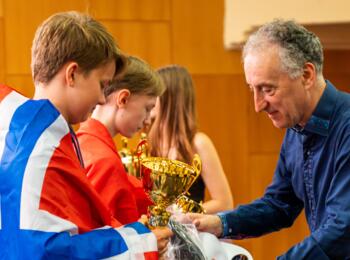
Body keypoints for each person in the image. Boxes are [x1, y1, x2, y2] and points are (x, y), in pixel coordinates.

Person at [0, 11, 171, 259]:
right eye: (102, 85)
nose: (103, 98)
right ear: (72, 74)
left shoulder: (18, 128)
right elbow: (44, 252)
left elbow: (72, 233)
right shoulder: (41, 148)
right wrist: (141, 243)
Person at [187, 19, 350, 259]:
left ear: (306, 75)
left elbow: (342, 230)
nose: (258, 105)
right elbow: (279, 204)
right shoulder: (296, 127)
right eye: (252, 89)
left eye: (268, 89)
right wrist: (219, 223)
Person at [77, 55, 164, 224]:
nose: (147, 120)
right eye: (147, 109)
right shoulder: (104, 161)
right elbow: (107, 239)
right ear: (123, 99)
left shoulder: (82, 141)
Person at [148, 65, 233, 214]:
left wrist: (179, 214)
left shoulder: (198, 143)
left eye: (154, 94)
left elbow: (224, 203)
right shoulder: (152, 142)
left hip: (191, 231)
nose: (148, 99)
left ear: (170, 98)